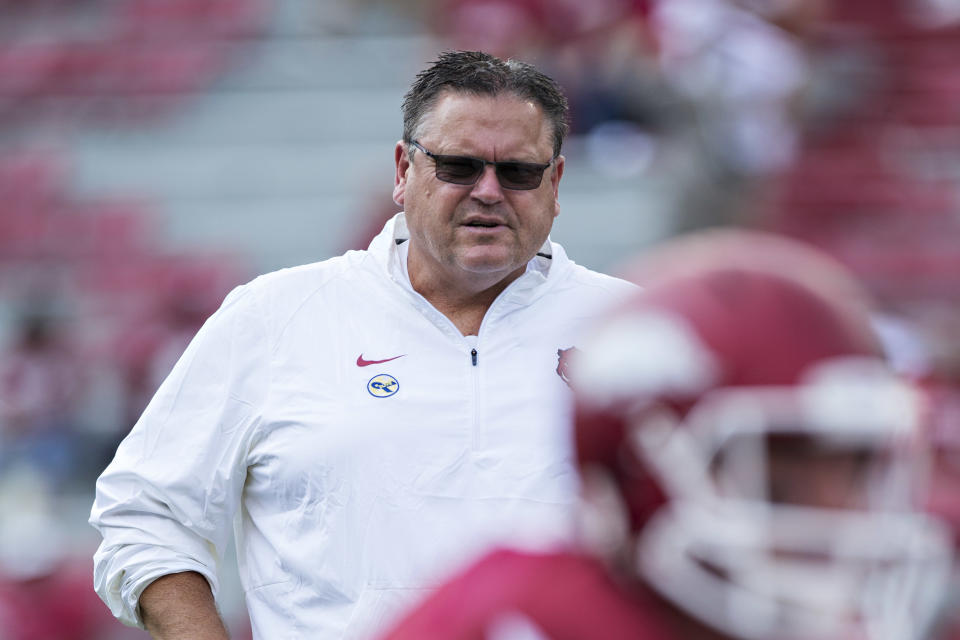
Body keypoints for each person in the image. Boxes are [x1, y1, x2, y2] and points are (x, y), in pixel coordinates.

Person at [89, 50, 636, 639]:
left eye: (518, 173)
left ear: (555, 184)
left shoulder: (634, 328)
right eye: (458, 166)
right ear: (403, 172)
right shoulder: (275, 317)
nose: (488, 191)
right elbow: (145, 515)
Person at [378, 228, 954, 640]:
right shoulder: (534, 617)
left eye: (855, 475)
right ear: (639, 473)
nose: (840, 524)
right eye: (778, 485)